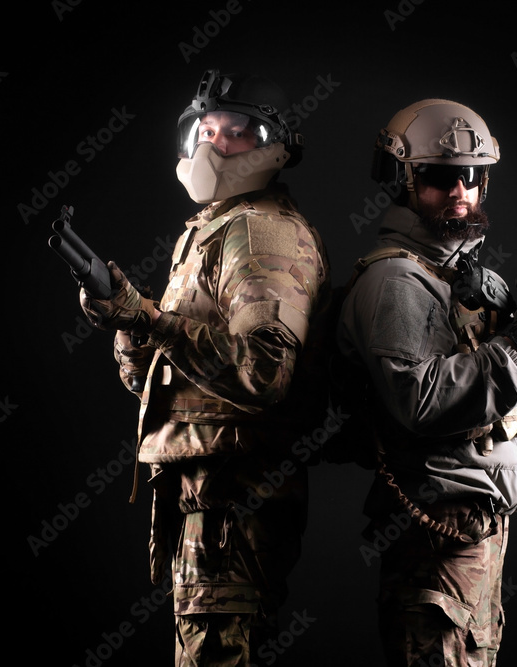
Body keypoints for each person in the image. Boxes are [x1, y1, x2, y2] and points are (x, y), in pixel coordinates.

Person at [79, 68, 331, 666]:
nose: (212, 147)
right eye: (206, 131)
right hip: (204, 497)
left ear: (273, 145)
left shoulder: (261, 233)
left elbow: (263, 375)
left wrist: (149, 319)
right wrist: (130, 325)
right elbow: (156, 381)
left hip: (233, 504)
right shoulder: (213, 228)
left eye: (234, 134)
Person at [336, 98, 517, 665]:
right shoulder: (396, 281)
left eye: (472, 176)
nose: (460, 190)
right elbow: (419, 400)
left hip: (481, 534)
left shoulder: (474, 279)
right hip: (434, 538)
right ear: (405, 180)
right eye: (440, 177)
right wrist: (516, 347)